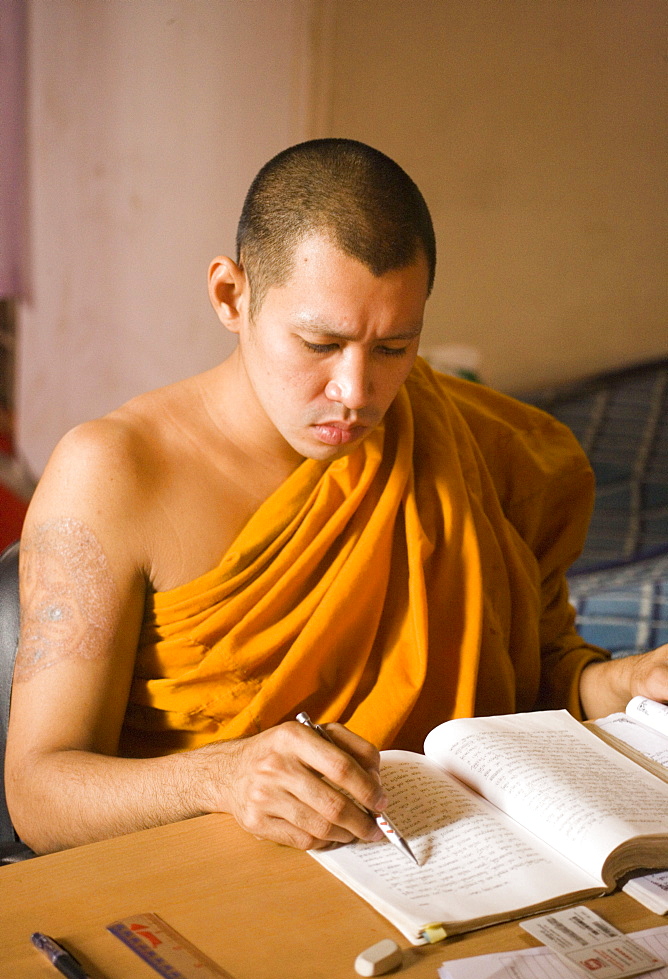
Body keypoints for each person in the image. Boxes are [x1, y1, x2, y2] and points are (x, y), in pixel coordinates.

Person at [6, 139, 668, 856]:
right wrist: (219, 779)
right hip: (208, 883)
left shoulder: (475, 445)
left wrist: (629, 683)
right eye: (321, 343)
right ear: (232, 295)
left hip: (452, 863)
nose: (356, 395)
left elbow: (539, 686)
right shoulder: (113, 476)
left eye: (393, 350)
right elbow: (41, 796)